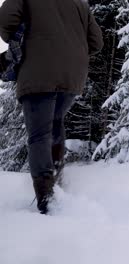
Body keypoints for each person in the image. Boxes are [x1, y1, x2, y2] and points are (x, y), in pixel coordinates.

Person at [0, 0, 104, 214]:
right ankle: (57, 182)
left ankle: (47, 197)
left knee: (39, 134)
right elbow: (97, 42)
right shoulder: (79, 3)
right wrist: (71, 49)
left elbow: (5, 20)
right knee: (55, 124)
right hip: (72, 75)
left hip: (37, 72)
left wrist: (22, 41)